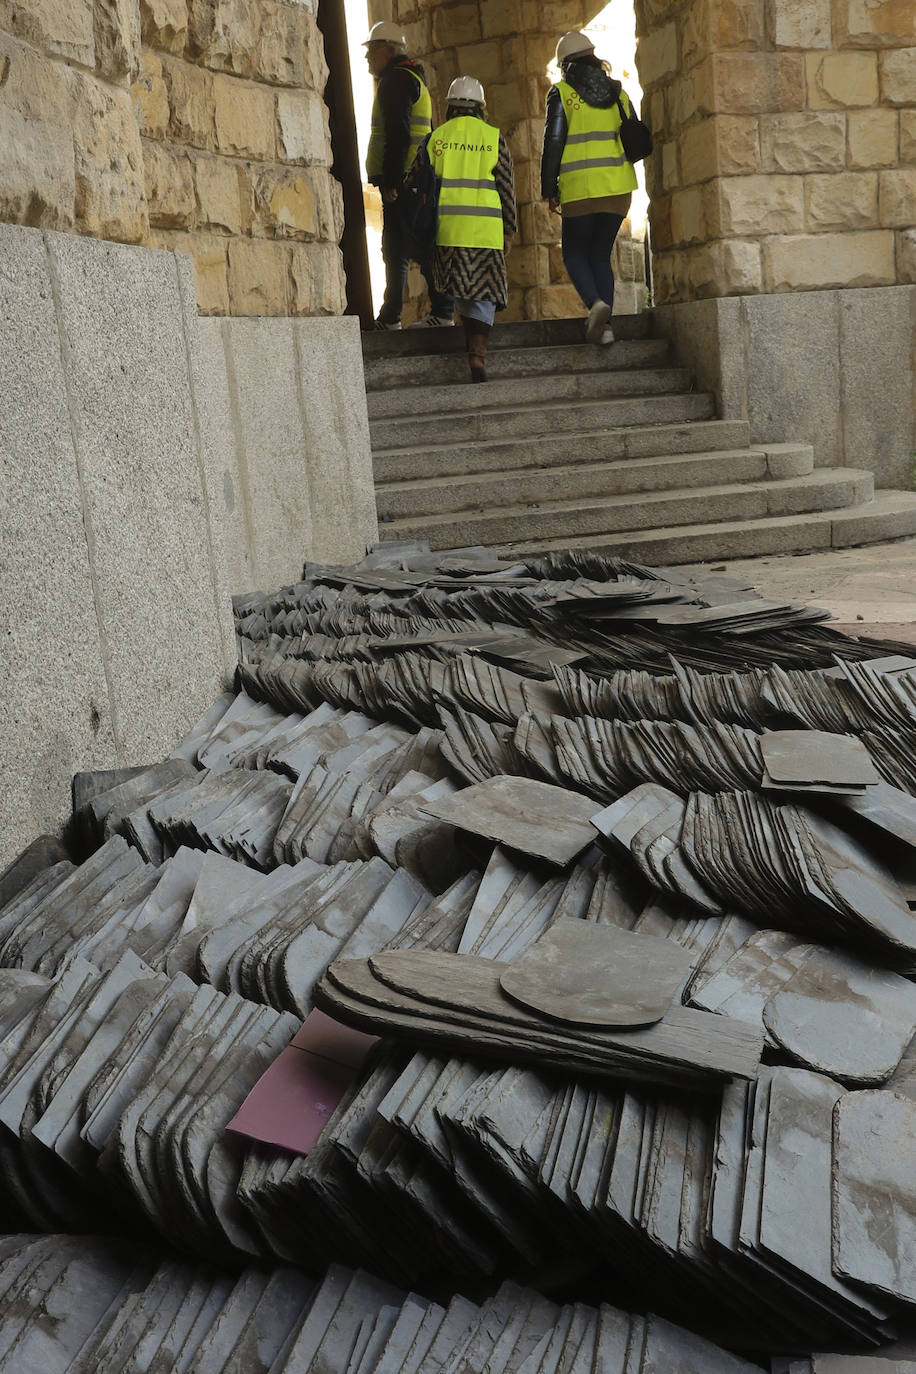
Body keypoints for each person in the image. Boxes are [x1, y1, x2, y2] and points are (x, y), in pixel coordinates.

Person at [541, 30, 638, 346]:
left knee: (573, 255)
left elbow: (553, 143)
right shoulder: (619, 94)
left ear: (565, 64)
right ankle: (606, 328)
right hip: (618, 189)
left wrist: (548, 187)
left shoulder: (562, 93)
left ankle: (595, 304)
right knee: (599, 255)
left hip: (581, 189)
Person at [363, 20, 454, 330]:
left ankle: (442, 311)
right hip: (411, 178)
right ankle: (391, 315)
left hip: (405, 179)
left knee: (420, 246)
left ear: (388, 50)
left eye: (372, 50)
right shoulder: (409, 77)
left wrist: (391, 181)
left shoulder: (396, 81)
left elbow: (398, 134)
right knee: (395, 248)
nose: (367, 57)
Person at [427, 77, 516, 382]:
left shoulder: (436, 138)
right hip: (486, 229)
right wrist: (509, 229)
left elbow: (416, 180)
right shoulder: (493, 137)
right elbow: (506, 187)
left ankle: (472, 351)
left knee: (462, 287)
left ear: (449, 106)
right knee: (485, 291)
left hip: (449, 228)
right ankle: (477, 353)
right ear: (481, 107)